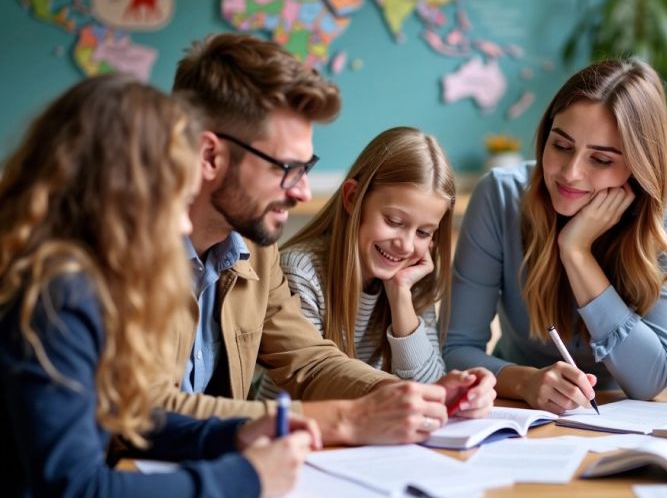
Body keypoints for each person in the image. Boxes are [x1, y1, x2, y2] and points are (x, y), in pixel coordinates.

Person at [164, 32, 495, 446]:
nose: (302, 191)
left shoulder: (256, 250)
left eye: (307, 168)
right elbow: (148, 409)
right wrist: (343, 419)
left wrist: (408, 395)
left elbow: (310, 361)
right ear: (210, 156)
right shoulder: (124, 253)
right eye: (285, 167)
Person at [0, 73, 320, 497]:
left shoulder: (86, 281)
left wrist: (234, 434)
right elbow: (75, 488)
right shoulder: (59, 296)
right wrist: (248, 478)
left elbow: (127, 412)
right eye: (176, 201)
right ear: (124, 200)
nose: (186, 223)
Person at [444, 58, 667, 413]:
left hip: (636, 416)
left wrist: (577, 253)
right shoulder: (500, 196)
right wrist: (525, 381)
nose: (570, 173)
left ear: (638, 165)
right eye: (561, 146)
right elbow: (457, 349)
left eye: (601, 160)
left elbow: (650, 380)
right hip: (524, 411)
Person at [276, 127, 453, 386]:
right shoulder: (301, 270)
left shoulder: (412, 278)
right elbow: (313, 383)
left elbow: (431, 387)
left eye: (424, 232)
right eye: (394, 221)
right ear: (352, 197)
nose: (405, 246)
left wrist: (400, 294)